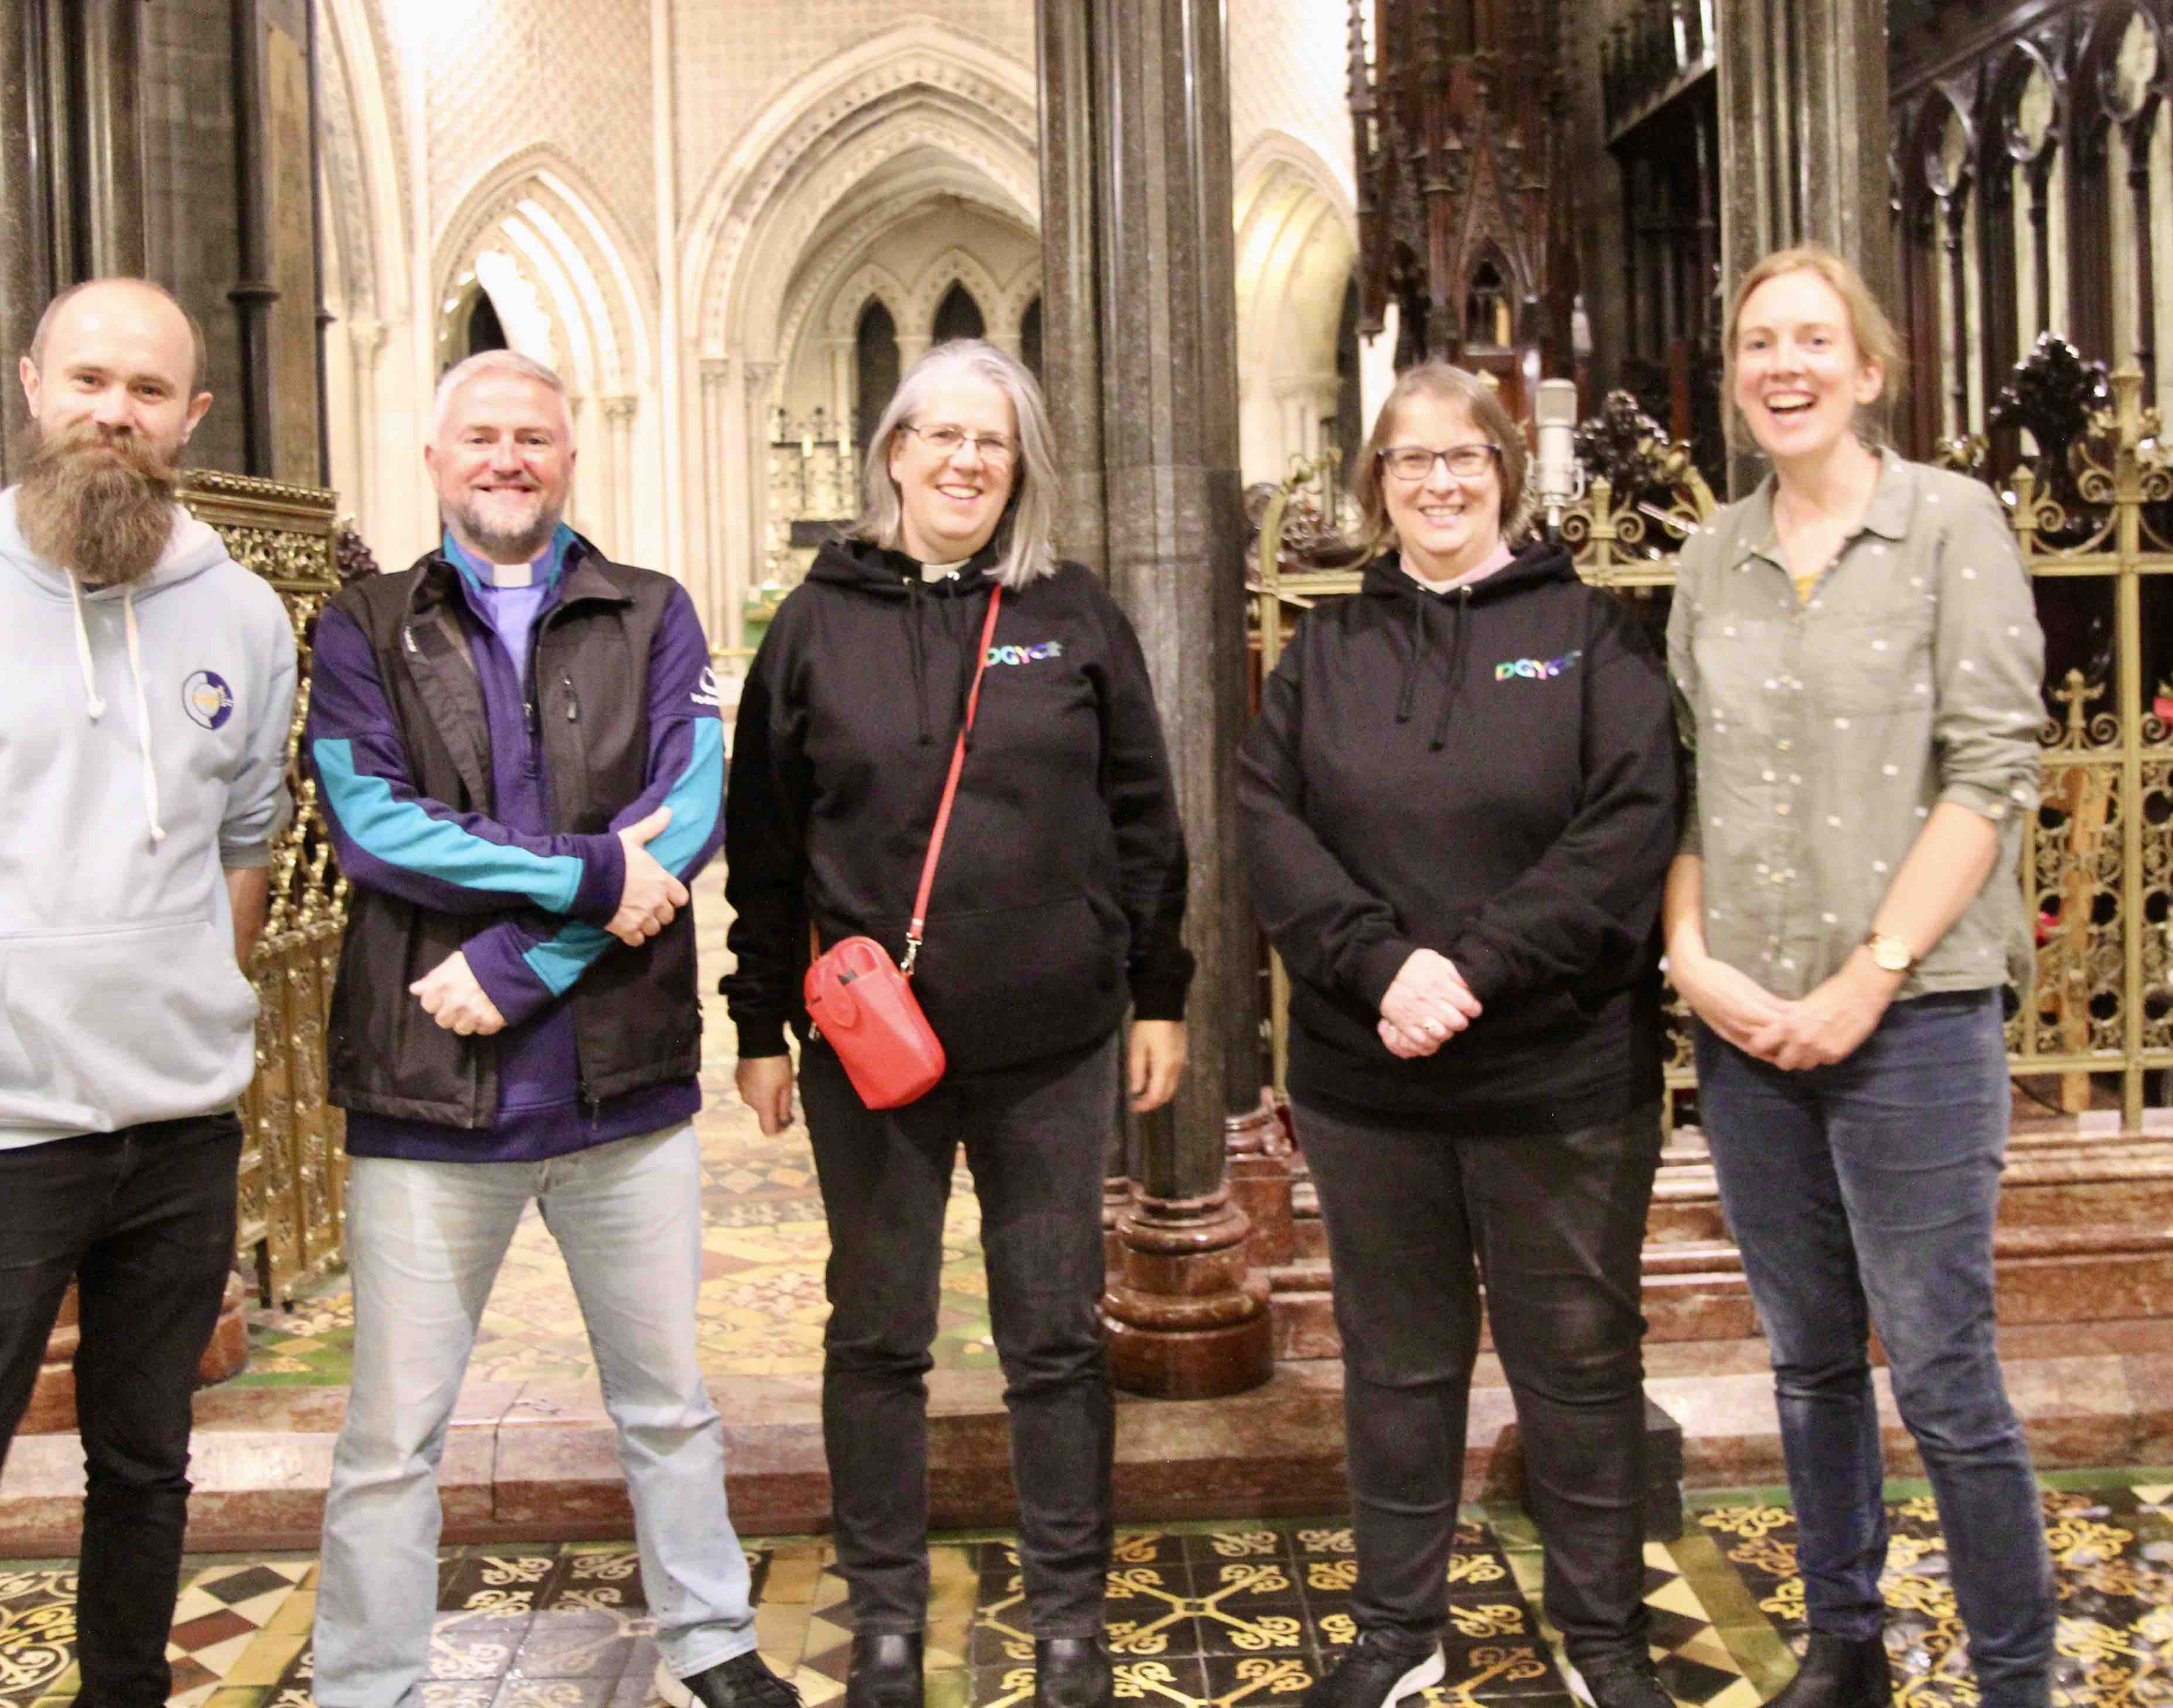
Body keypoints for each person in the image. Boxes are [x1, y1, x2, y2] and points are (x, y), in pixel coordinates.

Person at [0, 277, 299, 1707]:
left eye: (148, 393)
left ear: (190, 419)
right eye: (89, 380)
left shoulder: (247, 618)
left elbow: (245, 853)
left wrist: (183, 1008)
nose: (114, 412)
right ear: (29, 386)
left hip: (175, 1132)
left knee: (146, 1470)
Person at [304, 349, 795, 1708]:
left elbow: (688, 816)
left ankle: (710, 1641)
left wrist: (528, 962)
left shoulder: (649, 613)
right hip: (426, 1095)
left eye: (532, 436)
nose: (506, 458)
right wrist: (586, 879)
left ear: (570, 456)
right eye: (481, 437)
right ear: (434, 459)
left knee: (666, 1404)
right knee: (393, 1434)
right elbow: (373, 823)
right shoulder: (365, 623)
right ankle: (365, 1680)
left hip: (617, 1091)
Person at [723, 339, 1192, 1708]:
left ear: (1020, 463)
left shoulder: (1073, 612)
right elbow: (764, 835)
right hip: (873, 1057)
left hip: (1050, 1047)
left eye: (989, 441)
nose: (962, 461)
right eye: (937, 435)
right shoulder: (818, 619)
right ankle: (881, 1619)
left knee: (1052, 1336)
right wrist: (757, 1019)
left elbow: (1143, 821)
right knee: (877, 1336)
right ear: (891, 452)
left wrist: (1156, 989)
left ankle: (1066, 1621)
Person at [1239, 362, 1680, 1708]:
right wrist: (1382, 969)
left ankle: (1600, 1636)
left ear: (1505, 471)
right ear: (1375, 484)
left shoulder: (1592, 635)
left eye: (1463, 458)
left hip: (1558, 1075)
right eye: (1408, 460)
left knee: (1579, 1367)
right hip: (1372, 1080)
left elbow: (1624, 828)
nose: (1437, 481)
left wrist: (1469, 968)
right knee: (1399, 1362)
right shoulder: (1323, 649)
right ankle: (1397, 1630)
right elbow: (1270, 827)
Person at [1664, 246, 2055, 1708]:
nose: (1783, 366)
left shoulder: (1948, 525)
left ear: (1867, 370)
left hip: (1918, 1017)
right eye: (1758, 343)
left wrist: (1871, 975)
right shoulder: (1716, 552)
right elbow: (1687, 787)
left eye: (1811, 341)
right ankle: (1846, 1648)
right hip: (1747, 1020)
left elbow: (1990, 772)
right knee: (1808, 1359)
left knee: (1944, 1377)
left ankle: (2014, 1676)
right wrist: (1690, 959)